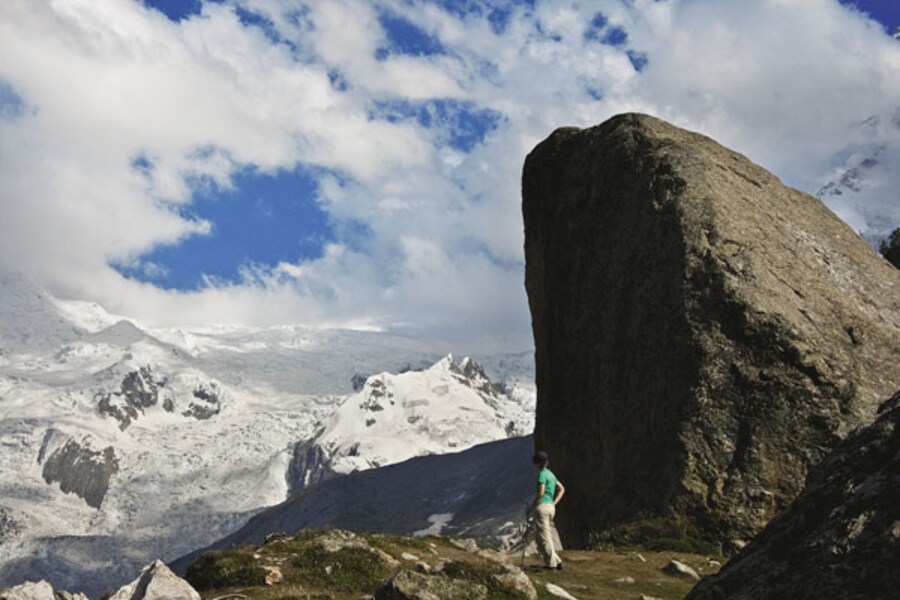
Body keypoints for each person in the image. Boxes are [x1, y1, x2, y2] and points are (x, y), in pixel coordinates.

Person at [528, 450, 564, 570]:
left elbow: (541, 492)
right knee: (541, 536)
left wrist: (532, 506)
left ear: (537, 463)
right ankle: (557, 561)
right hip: (551, 508)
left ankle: (551, 564)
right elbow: (562, 489)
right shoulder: (551, 474)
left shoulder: (542, 474)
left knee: (544, 537)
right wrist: (554, 502)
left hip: (542, 507)